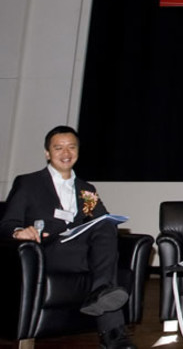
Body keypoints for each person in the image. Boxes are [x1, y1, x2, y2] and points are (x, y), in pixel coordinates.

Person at [0, 126, 135, 349]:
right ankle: (112, 329)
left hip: (79, 251)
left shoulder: (86, 190)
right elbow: (6, 223)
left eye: (71, 147)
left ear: (78, 152)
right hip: (47, 253)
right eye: (58, 148)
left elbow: (100, 221)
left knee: (106, 225)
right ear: (47, 153)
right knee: (104, 254)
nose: (66, 153)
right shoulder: (28, 183)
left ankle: (107, 312)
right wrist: (18, 232)